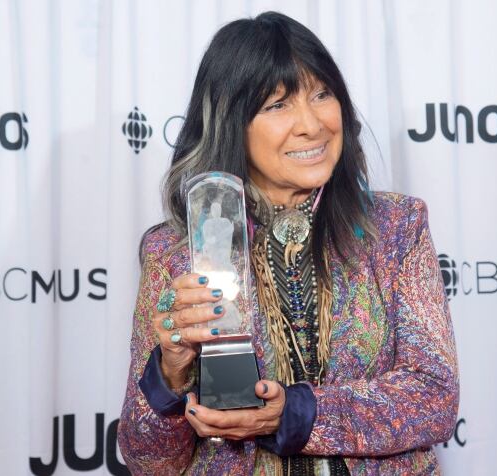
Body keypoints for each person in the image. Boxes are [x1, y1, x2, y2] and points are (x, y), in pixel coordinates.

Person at [118, 11, 459, 475]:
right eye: (277, 105)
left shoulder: (396, 227)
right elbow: (147, 461)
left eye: (322, 94)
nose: (312, 124)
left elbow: (434, 397)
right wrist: (171, 370)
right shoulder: (173, 253)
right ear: (231, 123)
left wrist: (296, 415)